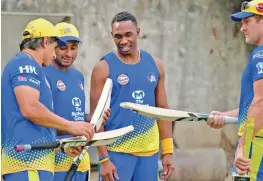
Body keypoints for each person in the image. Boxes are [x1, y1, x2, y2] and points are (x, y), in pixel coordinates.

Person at [1, 18, 95, 181]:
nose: (54, 54)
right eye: (55, 47)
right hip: (27, 165)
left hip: (37, 164)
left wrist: (63, 147)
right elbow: (30, 109)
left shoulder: (31, 67)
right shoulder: (24, 63)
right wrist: (71, 126)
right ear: (45, 42)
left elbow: (38, 127)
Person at [90, 12, 175, 181]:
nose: (123, 41)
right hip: (116, 153)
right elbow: (95, 118)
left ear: (138, 32)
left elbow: (163, 111)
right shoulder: (103, 68)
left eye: (128, 35)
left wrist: (167, 152)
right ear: (112, 36)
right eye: (118, 36)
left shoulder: (155, 65)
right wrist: (104, 158)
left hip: (149, 154)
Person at [207, 0, 263, 180]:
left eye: (247, 21)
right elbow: (259, 106)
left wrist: (243, 145)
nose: (242, 28)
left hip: (259, 149)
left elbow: (262, 103)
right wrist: (224, 115)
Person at [43, 22, 110, 181]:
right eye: (63, 47)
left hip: (80, 161)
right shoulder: (43, 73)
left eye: (73, 48)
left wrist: (94, 118)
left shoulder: (78, 76)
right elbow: (41, 119)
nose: (68, 53)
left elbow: (75, 116)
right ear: (53, 47)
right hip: (55, 160)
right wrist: (72, 129)